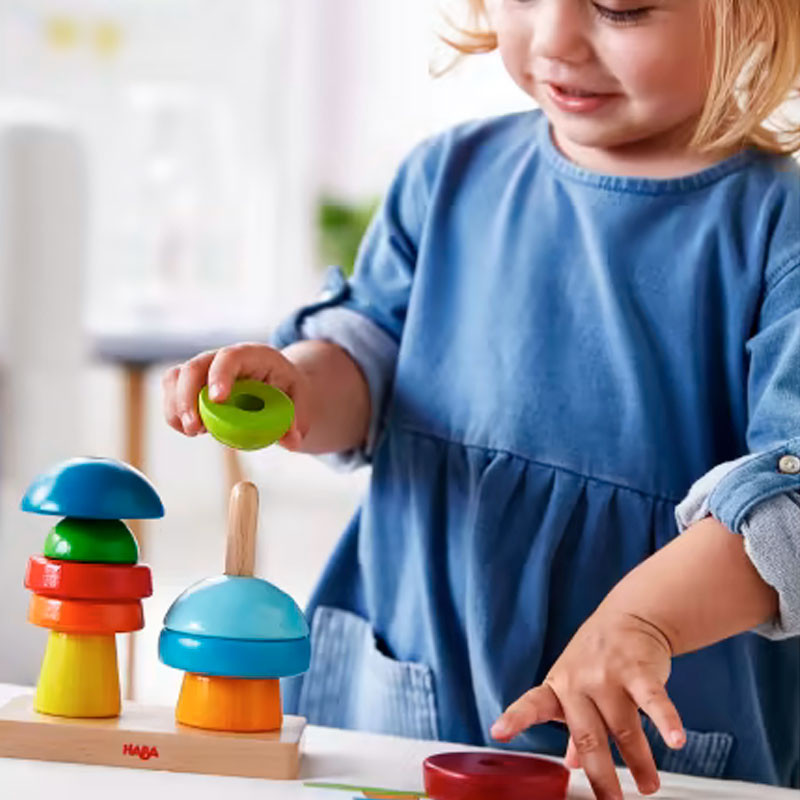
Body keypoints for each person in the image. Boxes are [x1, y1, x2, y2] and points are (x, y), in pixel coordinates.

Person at [162, 1, 800, 797]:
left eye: (621, 7)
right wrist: (298, 383)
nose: (557, 39)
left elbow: (791, 501)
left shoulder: (778, 225)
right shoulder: (447, 175)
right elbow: (368, 360)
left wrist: (648, 620)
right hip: (413, 677)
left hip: (646, 719)